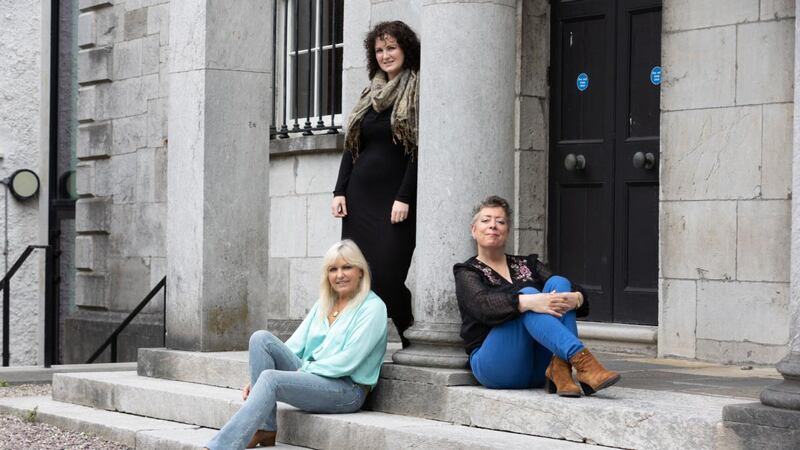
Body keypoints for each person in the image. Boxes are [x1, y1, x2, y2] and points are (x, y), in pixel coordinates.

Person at [204, 240, 388, 449]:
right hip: (314, 376)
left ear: (361, 272)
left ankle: (219, 447)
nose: (340, 275)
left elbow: (349, 360)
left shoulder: (373, 308)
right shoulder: (325, 303)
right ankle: (265, 428)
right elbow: (295, 344)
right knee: (260, 338)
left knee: (270, 378)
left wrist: (305, 369)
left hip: (347, 390)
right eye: (333, 269)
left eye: (347, 267)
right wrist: (257, 384)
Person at [453, 196, 620, 396]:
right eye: (486, 220)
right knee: (529, 294)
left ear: (507, 231)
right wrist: (529, 301)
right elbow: (483, 306)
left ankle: (561, 370)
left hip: (539, 369)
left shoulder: (527, 264)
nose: (493, 226)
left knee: (559, 282)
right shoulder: (467, 271)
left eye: (500, 221)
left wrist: (578, 298)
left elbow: (572, 289)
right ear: (474, 230)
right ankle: (583, 362)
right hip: (497, 366)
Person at [331, 20, 420, 348]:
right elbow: (353, 145)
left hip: (395, 201)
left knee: (387, 273)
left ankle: (408, 329)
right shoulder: (370, 93)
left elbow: (419, 151)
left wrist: (405, 196)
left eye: (391, 48)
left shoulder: (418, 90)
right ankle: (359, 343)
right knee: (356, 274)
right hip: (360, 199)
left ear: (405, 50)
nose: (385, 55)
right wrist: (339, 190)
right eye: (379, 50)